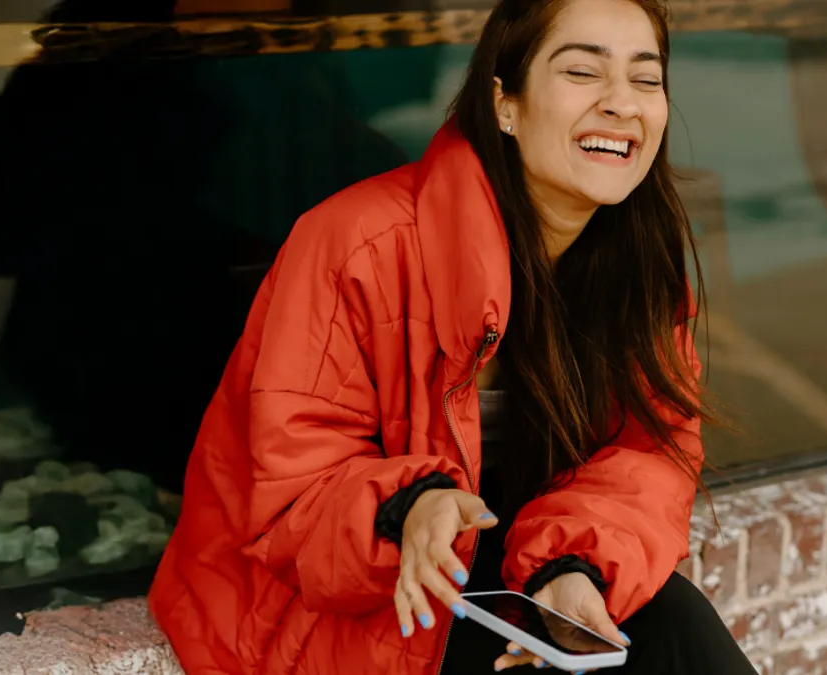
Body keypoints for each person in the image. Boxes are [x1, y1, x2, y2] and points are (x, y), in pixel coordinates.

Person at [149, 0, 757, 672]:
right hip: (329, 597)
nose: (621, 103)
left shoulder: (638, 264)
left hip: (494, 575)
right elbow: (291, 489)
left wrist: (571, 566)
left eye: (645, 79)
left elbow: (648, 454)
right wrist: (412, 506)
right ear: (504, 103)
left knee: (673, 625)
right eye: (583, 72)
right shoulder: (358, 242)